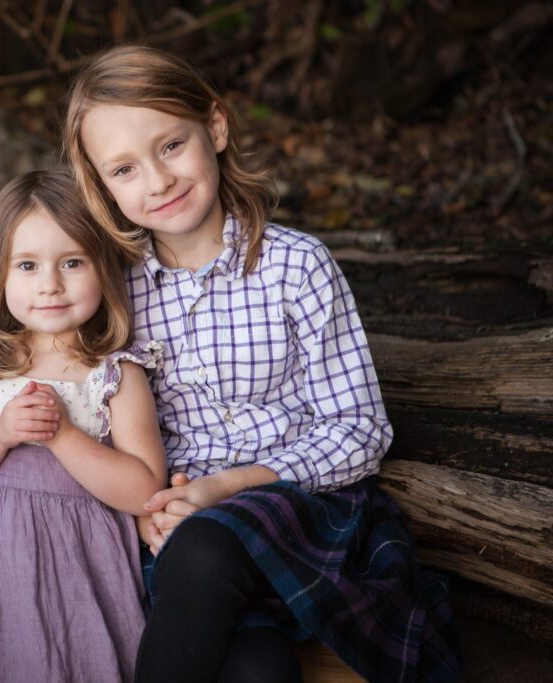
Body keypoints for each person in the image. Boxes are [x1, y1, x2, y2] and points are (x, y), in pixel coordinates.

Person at [64, 45, 462, 683]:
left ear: (216, 128)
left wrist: (227, 487)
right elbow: (99, 422)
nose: (157, 181)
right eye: (125, 169)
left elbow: (360, 429)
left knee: (205, 547)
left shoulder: (294, 266)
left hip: (298, 511)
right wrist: (145, 510)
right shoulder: (110, 291)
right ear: (100, 185)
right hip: (174, 524)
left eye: (171, 146)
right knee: (260, 669)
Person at [0, 169, 166, 682]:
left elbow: (145, 489)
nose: (50, 285)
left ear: (103, 267)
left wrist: (64, 436)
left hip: (84, 565)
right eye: (27, 265)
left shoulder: (114, 373)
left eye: (73, 262)